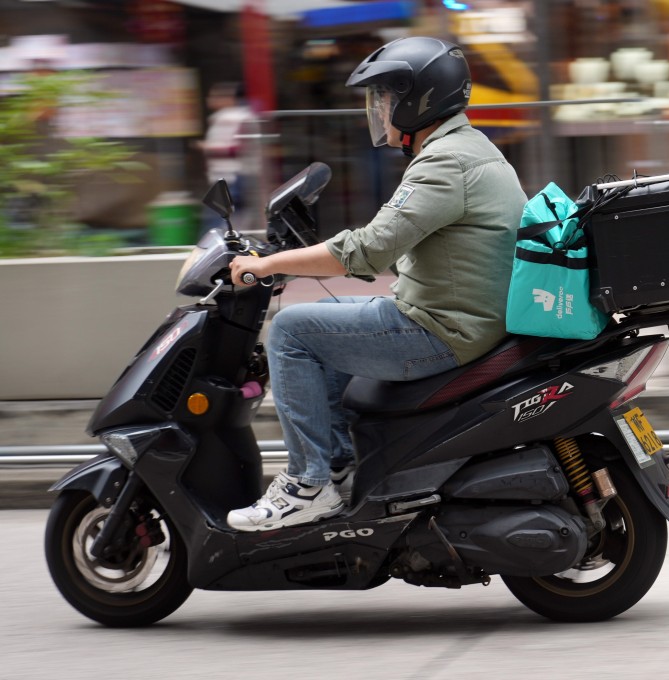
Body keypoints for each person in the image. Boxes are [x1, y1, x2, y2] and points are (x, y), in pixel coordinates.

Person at [226, 36, 528, 531]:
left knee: (290, 331)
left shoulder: (444, 162)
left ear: (418, 99)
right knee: (332, 314)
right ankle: (339, 462)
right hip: (464, 318)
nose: (380, 109)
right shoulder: (464, 147)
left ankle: (308, 484)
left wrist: (270, 263)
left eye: (385, 98)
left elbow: (369, 249)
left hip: (444, 330)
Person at [197, 82, 253, 233]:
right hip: (227, 176)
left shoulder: (232, 118)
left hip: (230, 176)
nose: (210, 99)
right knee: (229, 216)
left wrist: (208, 147)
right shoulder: (227, 117)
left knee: (218, 218)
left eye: (215, 96)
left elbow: (238, 147)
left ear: (229, 98)